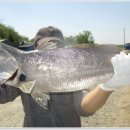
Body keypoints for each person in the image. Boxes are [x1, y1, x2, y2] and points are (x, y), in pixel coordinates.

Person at [0, 26, 130, 127]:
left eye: (57, 48)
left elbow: (84, 108)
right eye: (45, 48)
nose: (51, 54)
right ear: (35, 49)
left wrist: (108, 86)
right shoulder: (18, 74)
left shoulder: (73, 67)